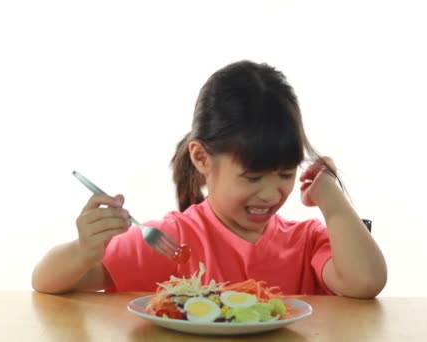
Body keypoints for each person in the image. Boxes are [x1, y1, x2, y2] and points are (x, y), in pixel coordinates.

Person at [32, 60, 387, 299]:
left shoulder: (306, 243)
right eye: (251, 177)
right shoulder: (172, 242)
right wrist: (83, 251)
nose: (270, 192)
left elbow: (367, 281)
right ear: (201, 158)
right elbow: (46, 282)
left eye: (285, 173)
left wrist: (332, 198)